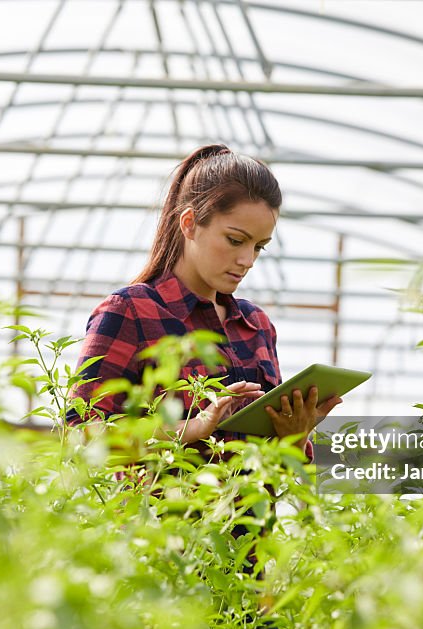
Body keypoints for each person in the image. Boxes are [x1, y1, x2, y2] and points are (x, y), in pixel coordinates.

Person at [68, 143, 342, 450]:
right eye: (235, 240)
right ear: (189, 223)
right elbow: (80, 434)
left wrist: (295, 433)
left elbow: (277, 465)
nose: (248, 260)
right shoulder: (130, 312)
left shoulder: (256, 326)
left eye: (259, 247)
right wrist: (190, 428)